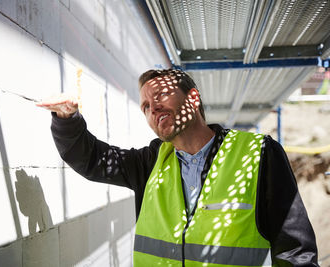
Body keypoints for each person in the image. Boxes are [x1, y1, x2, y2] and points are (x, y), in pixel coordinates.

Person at [37, 69, 318, 266]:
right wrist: (67, 119)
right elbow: (94, 160)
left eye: (160, 96)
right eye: (146, 106)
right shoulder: (152, 161)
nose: (152, 108)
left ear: (193, 99)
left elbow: (295, 249)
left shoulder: (258, 153)